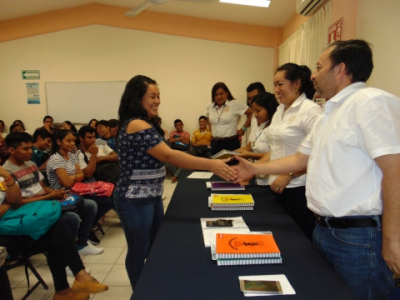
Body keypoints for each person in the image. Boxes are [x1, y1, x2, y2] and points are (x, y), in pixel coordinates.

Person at [232, 39, 400, 300]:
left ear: (340, 69)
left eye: (319, 67)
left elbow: (395, 172)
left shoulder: (371, 102)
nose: (312, 75)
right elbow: (300, 159)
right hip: (324, 230)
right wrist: (253, 168)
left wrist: (392, 239)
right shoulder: (329, 111)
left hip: (358, 238)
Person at [114, 75, 236, 293]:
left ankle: (151, 285)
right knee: (139, 249)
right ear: (136, 98)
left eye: (159, 96)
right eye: (152, 96)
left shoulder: (145, 123)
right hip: (134, 199)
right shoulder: (135, 124)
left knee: (155, 245)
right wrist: (211, 165)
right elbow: (169, 156)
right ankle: (140, 292)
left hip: (150, 196)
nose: (157, 100)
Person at [0, 165, 108, 300]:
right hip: (5, 240)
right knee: (57, 235)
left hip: (12, 224)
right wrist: (7, 204)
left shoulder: (2, 176)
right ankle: (74, 280)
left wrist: (7, 178)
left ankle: (68, 287)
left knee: (55, 228)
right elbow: (14, 203)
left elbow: (14, 200)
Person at [257, 63, 322, 241]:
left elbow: (319, 154)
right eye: (275, 85)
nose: (276, 90)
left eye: (280, 84)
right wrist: (253, 168)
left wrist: (290, 175)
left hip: (298, 188)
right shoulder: (280, 110)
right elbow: (275, 148)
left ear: (296, 84)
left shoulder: (310, 111)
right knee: (280, 238)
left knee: (299, 240)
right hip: (276, 185)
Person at [46, 129, 103, 255]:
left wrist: (71, 177)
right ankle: (69, 252)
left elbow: (81, 175)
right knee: (75, 217)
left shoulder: (71, 155)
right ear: (59, 142)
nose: (72, 143)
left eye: (73, 140)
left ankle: (82, 243)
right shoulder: (56, 158)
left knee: (92, 205)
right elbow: (66, 183)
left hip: (74, 192)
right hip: (60, 196)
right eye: (68, 141)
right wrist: (73, 177)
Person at [76, 126, 116, 244]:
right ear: (81, 139)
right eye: (89, 137)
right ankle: (87, 228)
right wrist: (94, 156)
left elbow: (116, 156)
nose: (92, 140)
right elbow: (88, 174)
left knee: (118, 191)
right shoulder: (79, 154)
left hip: (104, 179)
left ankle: (88, 226)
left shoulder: (100, 146)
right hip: (88, 187)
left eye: (93, 137)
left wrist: (102, 158)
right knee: (109, 200)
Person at [235, 92, 279, 185]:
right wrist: (229, 154)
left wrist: (250, 155)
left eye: (258, 111)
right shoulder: (260, 126)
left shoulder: (275, 129)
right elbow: (248, 147)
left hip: (271, 180)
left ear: (269, 109)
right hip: (259, 178)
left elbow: (274, 154)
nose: (255, 115)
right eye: (254, 111)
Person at [206, 82, 253, 155]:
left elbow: (252, 112)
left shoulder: (234, 104)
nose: (219, 97)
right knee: (216, 165)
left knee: (232, 165)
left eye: (221, 94)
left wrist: (244, 129)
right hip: (215, 143)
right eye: (216, 95)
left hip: (231, 143)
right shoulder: (210, 106)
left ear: (227, 93)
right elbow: (208, 119)